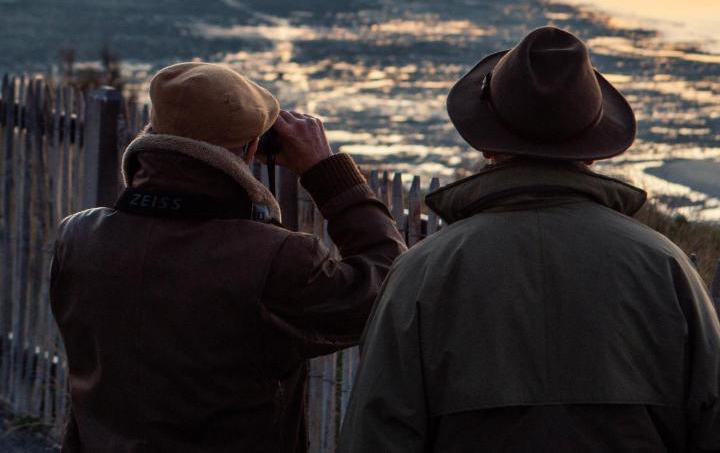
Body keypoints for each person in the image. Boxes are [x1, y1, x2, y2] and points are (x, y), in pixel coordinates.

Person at [340, 26, 720, 452]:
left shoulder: (422, 273)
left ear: (487, 146)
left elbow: (378, 435)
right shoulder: (666, 268)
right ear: (593, 149)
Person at [50, 61, 406, 452]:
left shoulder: (78, 237)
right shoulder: (273, 259)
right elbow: (389, 286)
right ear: (254, 148)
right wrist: (327, 171)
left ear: (154, 135)